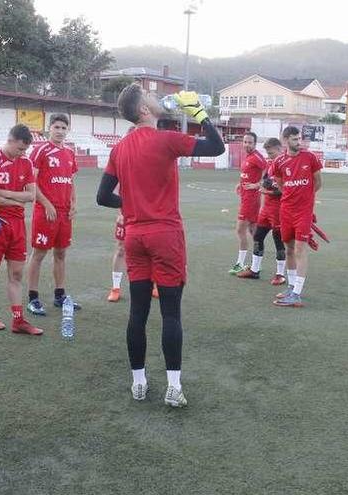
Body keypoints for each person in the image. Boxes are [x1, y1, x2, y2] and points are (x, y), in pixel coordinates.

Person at [97, 84, 225, 407]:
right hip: (165, 234)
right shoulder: (165, 139)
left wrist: (130, 206)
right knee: (171, 313)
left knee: (137, 312)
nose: (156, 99)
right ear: (143, 110)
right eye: (149, 97)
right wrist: (197, 112)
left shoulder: (119, 148)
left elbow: (102, 197)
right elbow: (216, 147)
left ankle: (138, 383)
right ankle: (173, 387)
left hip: (135, 236)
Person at [0, 124, 43, 336]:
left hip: (17, 225)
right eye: (20, 149)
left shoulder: (26, 162)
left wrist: (5, 194)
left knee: (16, 273)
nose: (22, 154)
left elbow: (31, 196)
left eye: (25, 150)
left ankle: (18, 321)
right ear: (10, 140)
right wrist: (16, 197)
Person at [26, 114, 80, 316]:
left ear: (67, 130)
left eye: (63, 128)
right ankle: (33, 298)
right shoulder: (40, 151)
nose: (60, 131)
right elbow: (32, 182)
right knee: (39, 253)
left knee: (61, 253)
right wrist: (46, 203)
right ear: (49, 128)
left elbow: (70, 181)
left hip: (64, 212)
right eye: (56, 127)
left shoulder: (69, 153)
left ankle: (60, 295)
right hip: (46, 211)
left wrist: (74, 202)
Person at [270, 126, 323, 308]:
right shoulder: (279, 162)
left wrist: (306, 199)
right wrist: (290, 196)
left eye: (299, 139)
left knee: (300, 249)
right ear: (285, 141)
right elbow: (279, 183)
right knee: (289, 249)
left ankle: (297, 294)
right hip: (286, 210)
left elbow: (318, 182)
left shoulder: (310, 157)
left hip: (303, 211)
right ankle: (292, 287)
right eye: (294, 139)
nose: (298, 142)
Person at [237, 137, 287, 284]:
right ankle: (255, 270)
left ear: (279, 150)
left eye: (271, 153)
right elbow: (266, 182)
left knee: (278, 240)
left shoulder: (285, 165)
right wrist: (263, 186)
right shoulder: (271, 165)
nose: (269, 156)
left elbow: (283, 190)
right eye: (268, 154)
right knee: (258, 236)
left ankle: (280, 274)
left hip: (278, 210)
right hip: (266, 209)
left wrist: (267, 190)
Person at [228, 131, 265, 274]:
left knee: (240, 230)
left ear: (255, 144)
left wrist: (258, 184)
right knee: (254, 232)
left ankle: (240, 263)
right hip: (246, 198)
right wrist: (240, 183)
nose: (247, 144)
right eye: (245, 142)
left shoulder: (256, 157)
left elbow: (269, 171)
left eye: (250, 142)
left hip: (251, 200)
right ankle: (256, 263)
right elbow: (247, 174)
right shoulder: (248, 157)